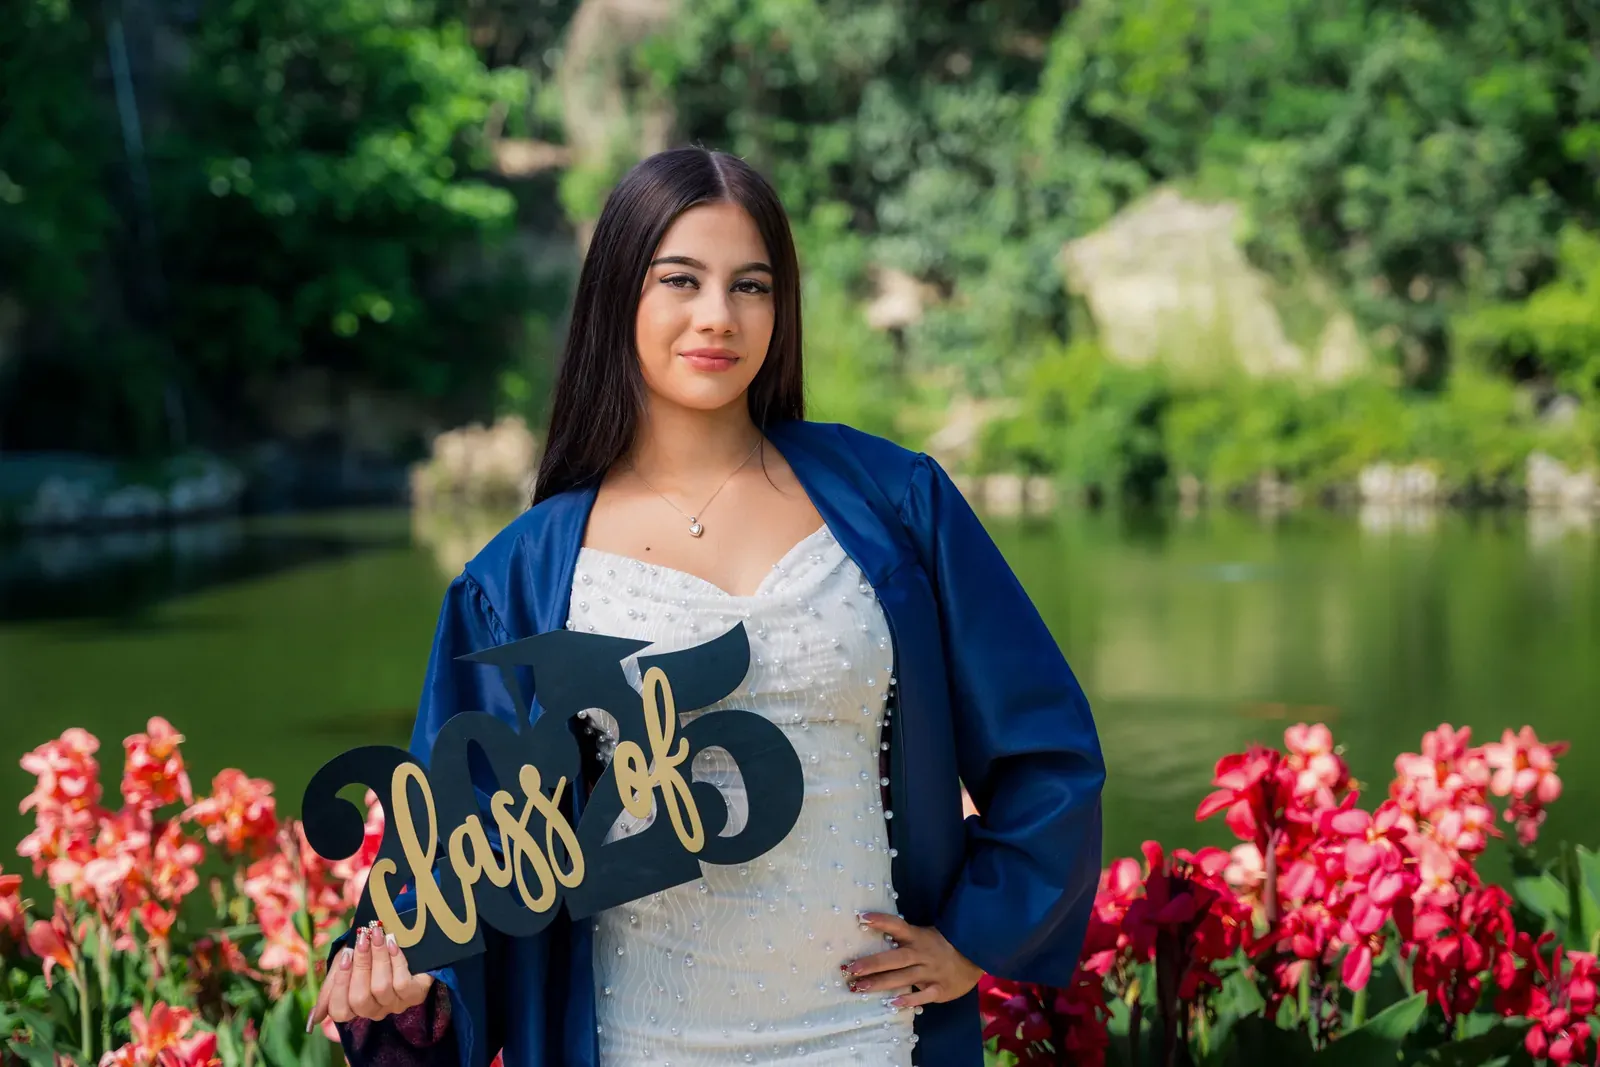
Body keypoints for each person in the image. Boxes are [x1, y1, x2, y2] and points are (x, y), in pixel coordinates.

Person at [308, 146, 1105, 1067]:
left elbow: (1046, 743)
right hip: (639, 1036)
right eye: (680, 279)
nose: (718, 317)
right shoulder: (521, 578)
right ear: (618, 296)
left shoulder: (896, 506)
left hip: (871, 1032)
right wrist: (406, 982)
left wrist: (976, 935)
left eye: (752, 286)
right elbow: (466, 837)